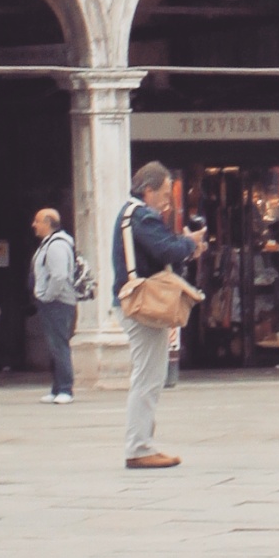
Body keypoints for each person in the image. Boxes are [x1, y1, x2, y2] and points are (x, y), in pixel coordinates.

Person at [114, 163, 198, 471]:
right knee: (148, 377)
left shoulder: (132, 213)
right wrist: (191, 243)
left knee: (150, 375)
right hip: (140, 302)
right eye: (164, 194)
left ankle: (142, 444)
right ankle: (138, 447)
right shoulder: (141, 215)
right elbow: (166, 249)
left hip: (135, 300)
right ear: (147, 191)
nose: (167, 202)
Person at [29, 207, 83, 402]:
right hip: (54, 302)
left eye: (37, 221)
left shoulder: (57, 245)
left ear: (48, 222)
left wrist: (46, 296)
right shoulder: (49, 244)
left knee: (59, 344)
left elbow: (59, 276)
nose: (34, 225)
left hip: (58, 303)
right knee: (54, 345)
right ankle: (57, 388)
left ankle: (66, 389)